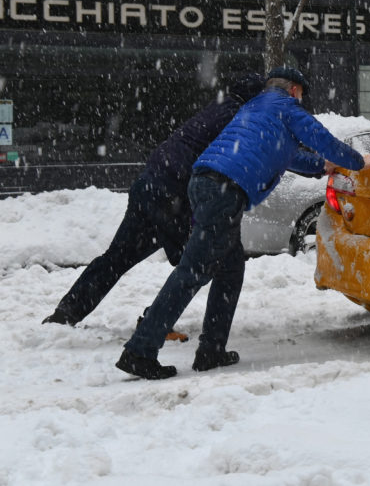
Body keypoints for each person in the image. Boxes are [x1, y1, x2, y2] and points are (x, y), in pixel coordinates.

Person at [116, 66, 370, 379]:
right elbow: (323, 139)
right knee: (192, 272)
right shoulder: (286, 108)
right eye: (302, 94)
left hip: (204, 181)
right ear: (295, 90)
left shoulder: (255, 108)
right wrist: (358, 161)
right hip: (224, 189)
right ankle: (140, 350)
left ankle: (212, 349)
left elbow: (286, 155)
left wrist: (322, 166)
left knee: (230, 268)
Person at [42, 73, 266, 332]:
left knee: (117, 257)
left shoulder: (218, 108)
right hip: (173, 194)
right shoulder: (238, 119)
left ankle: (66, 313)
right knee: (197, 263)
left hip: (149, 183)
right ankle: (154, 324)